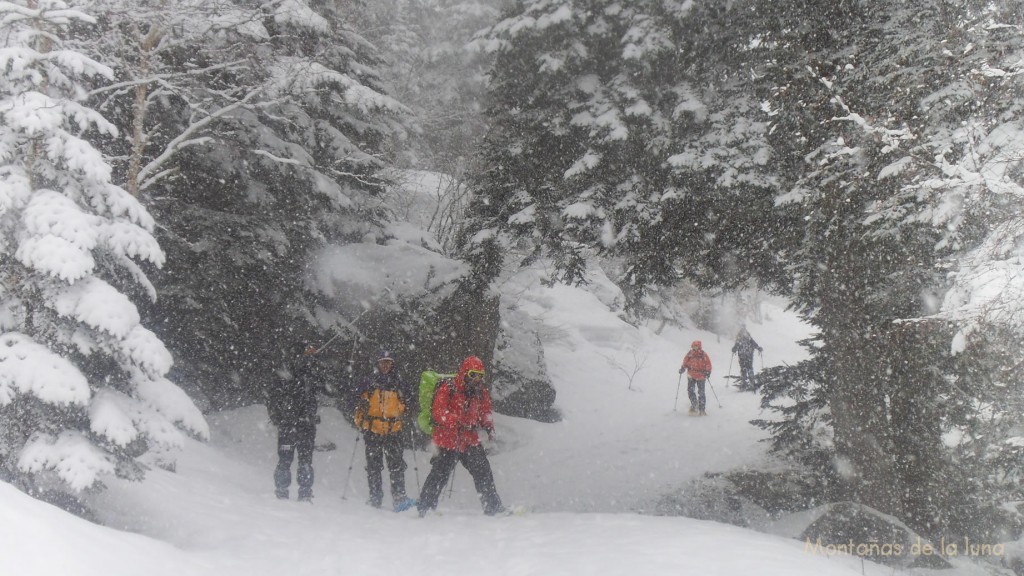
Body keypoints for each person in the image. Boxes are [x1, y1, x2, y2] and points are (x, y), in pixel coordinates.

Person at [417, 356, 504, 517]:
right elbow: (438, 412)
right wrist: (455, 421)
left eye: (479, 375)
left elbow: (485, 411)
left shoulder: (480, 392)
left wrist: (488, 426)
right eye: (473, 374)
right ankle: (425, 508)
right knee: (439, 474)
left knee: (483, 471)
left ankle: (493, 508)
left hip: (469, 439)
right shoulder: (448, 388)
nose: (476, 379)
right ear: (465, 372)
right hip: (447, 440)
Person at [353, 349, 416, 511]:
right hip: (372, 429)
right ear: (378, 363)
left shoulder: (400, 383)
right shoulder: (369, 382)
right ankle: (375, 498)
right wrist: (360, 421)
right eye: (383, 362)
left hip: (393, 430)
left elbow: (411, 403)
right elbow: (356, 402)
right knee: (374, 466)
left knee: (396, 465)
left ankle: (399, 498)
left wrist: (406, 411)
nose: (386, 365)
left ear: (393, 364)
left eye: (388, 362)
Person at [267, 343, 325, 501]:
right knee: (286, 460)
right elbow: (275, 395)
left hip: (306, 424)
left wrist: (314, 361)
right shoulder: (289, 370)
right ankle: (282, 492)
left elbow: (322, 384)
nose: (311, 353)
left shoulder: (313, 372)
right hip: (289, 423)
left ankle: (304, 493)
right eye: (308, 351)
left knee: (305, 461)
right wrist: (277, 416)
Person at [679, 340, 712, 416]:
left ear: (699, 346)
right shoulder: (690, 354)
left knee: (701, 392)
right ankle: (694, 404)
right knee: (690, 391)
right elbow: (685, 362)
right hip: (691, 375)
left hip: (701, 376)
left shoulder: (703, 355)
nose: (695, 348)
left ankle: (702, 409)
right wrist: (683, 368)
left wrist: (708, 372)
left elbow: (708, 364)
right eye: (693, 346)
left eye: (696, 346)